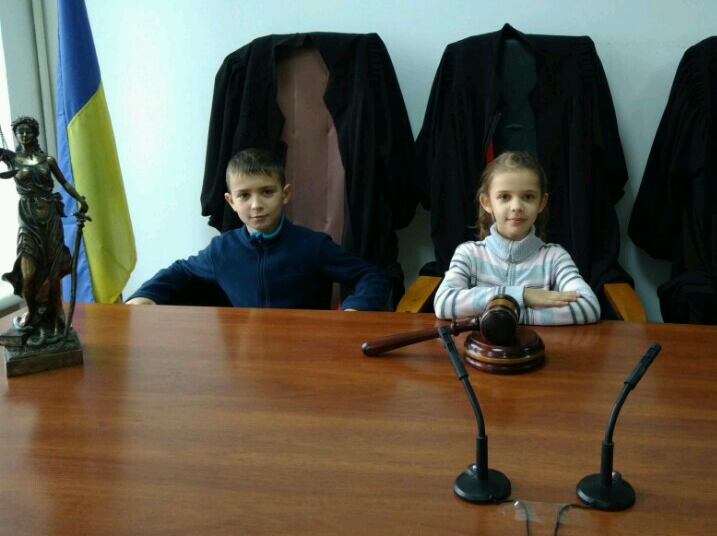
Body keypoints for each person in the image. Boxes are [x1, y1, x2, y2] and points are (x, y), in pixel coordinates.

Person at [127, 148, 390, 310]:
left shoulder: (313, 246)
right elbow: (180, 271)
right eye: (244, 195)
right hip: (246, 361)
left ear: (285, 194)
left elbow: (371, 276)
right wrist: (146, 295)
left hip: (306, 354)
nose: (256, 205)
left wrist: (357, 308)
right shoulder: (222, 250)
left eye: (267, 192)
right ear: (231, 201)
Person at [434, 151, 600, 325]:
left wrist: (506, 316)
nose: (516, 206)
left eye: (528, 197)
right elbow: (444, 302)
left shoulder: (555, 257)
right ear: (487, 203)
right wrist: (523, 295)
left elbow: (588, 306)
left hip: (540, 343)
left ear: (541, 203)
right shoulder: (469, 253)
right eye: (504, 197)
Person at [0, 116, 88, 344]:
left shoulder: (47, 160)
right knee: (28, 272)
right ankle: (31, 312)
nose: (24, 135)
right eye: (20, 132)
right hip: (28, 218)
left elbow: (64, 183)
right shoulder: (11, 158)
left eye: (28, 131)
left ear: (35, 133)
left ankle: (55, 314)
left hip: (50, 216)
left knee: (53, 268)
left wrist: (81, 200)